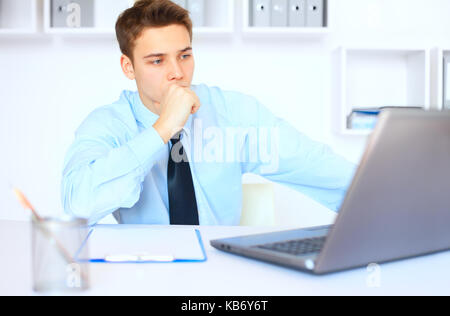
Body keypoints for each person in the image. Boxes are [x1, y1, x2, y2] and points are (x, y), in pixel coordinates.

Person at [61, 0, 356, 225]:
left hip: (221, 273)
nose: (177, 72)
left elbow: (314, 165)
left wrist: (385, 201)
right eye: (156, 61)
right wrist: (162, 129)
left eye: (184, 56)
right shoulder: (108, 125)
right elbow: (79, 203)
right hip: (145, 272)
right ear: (129, 67)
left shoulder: (231, 112)